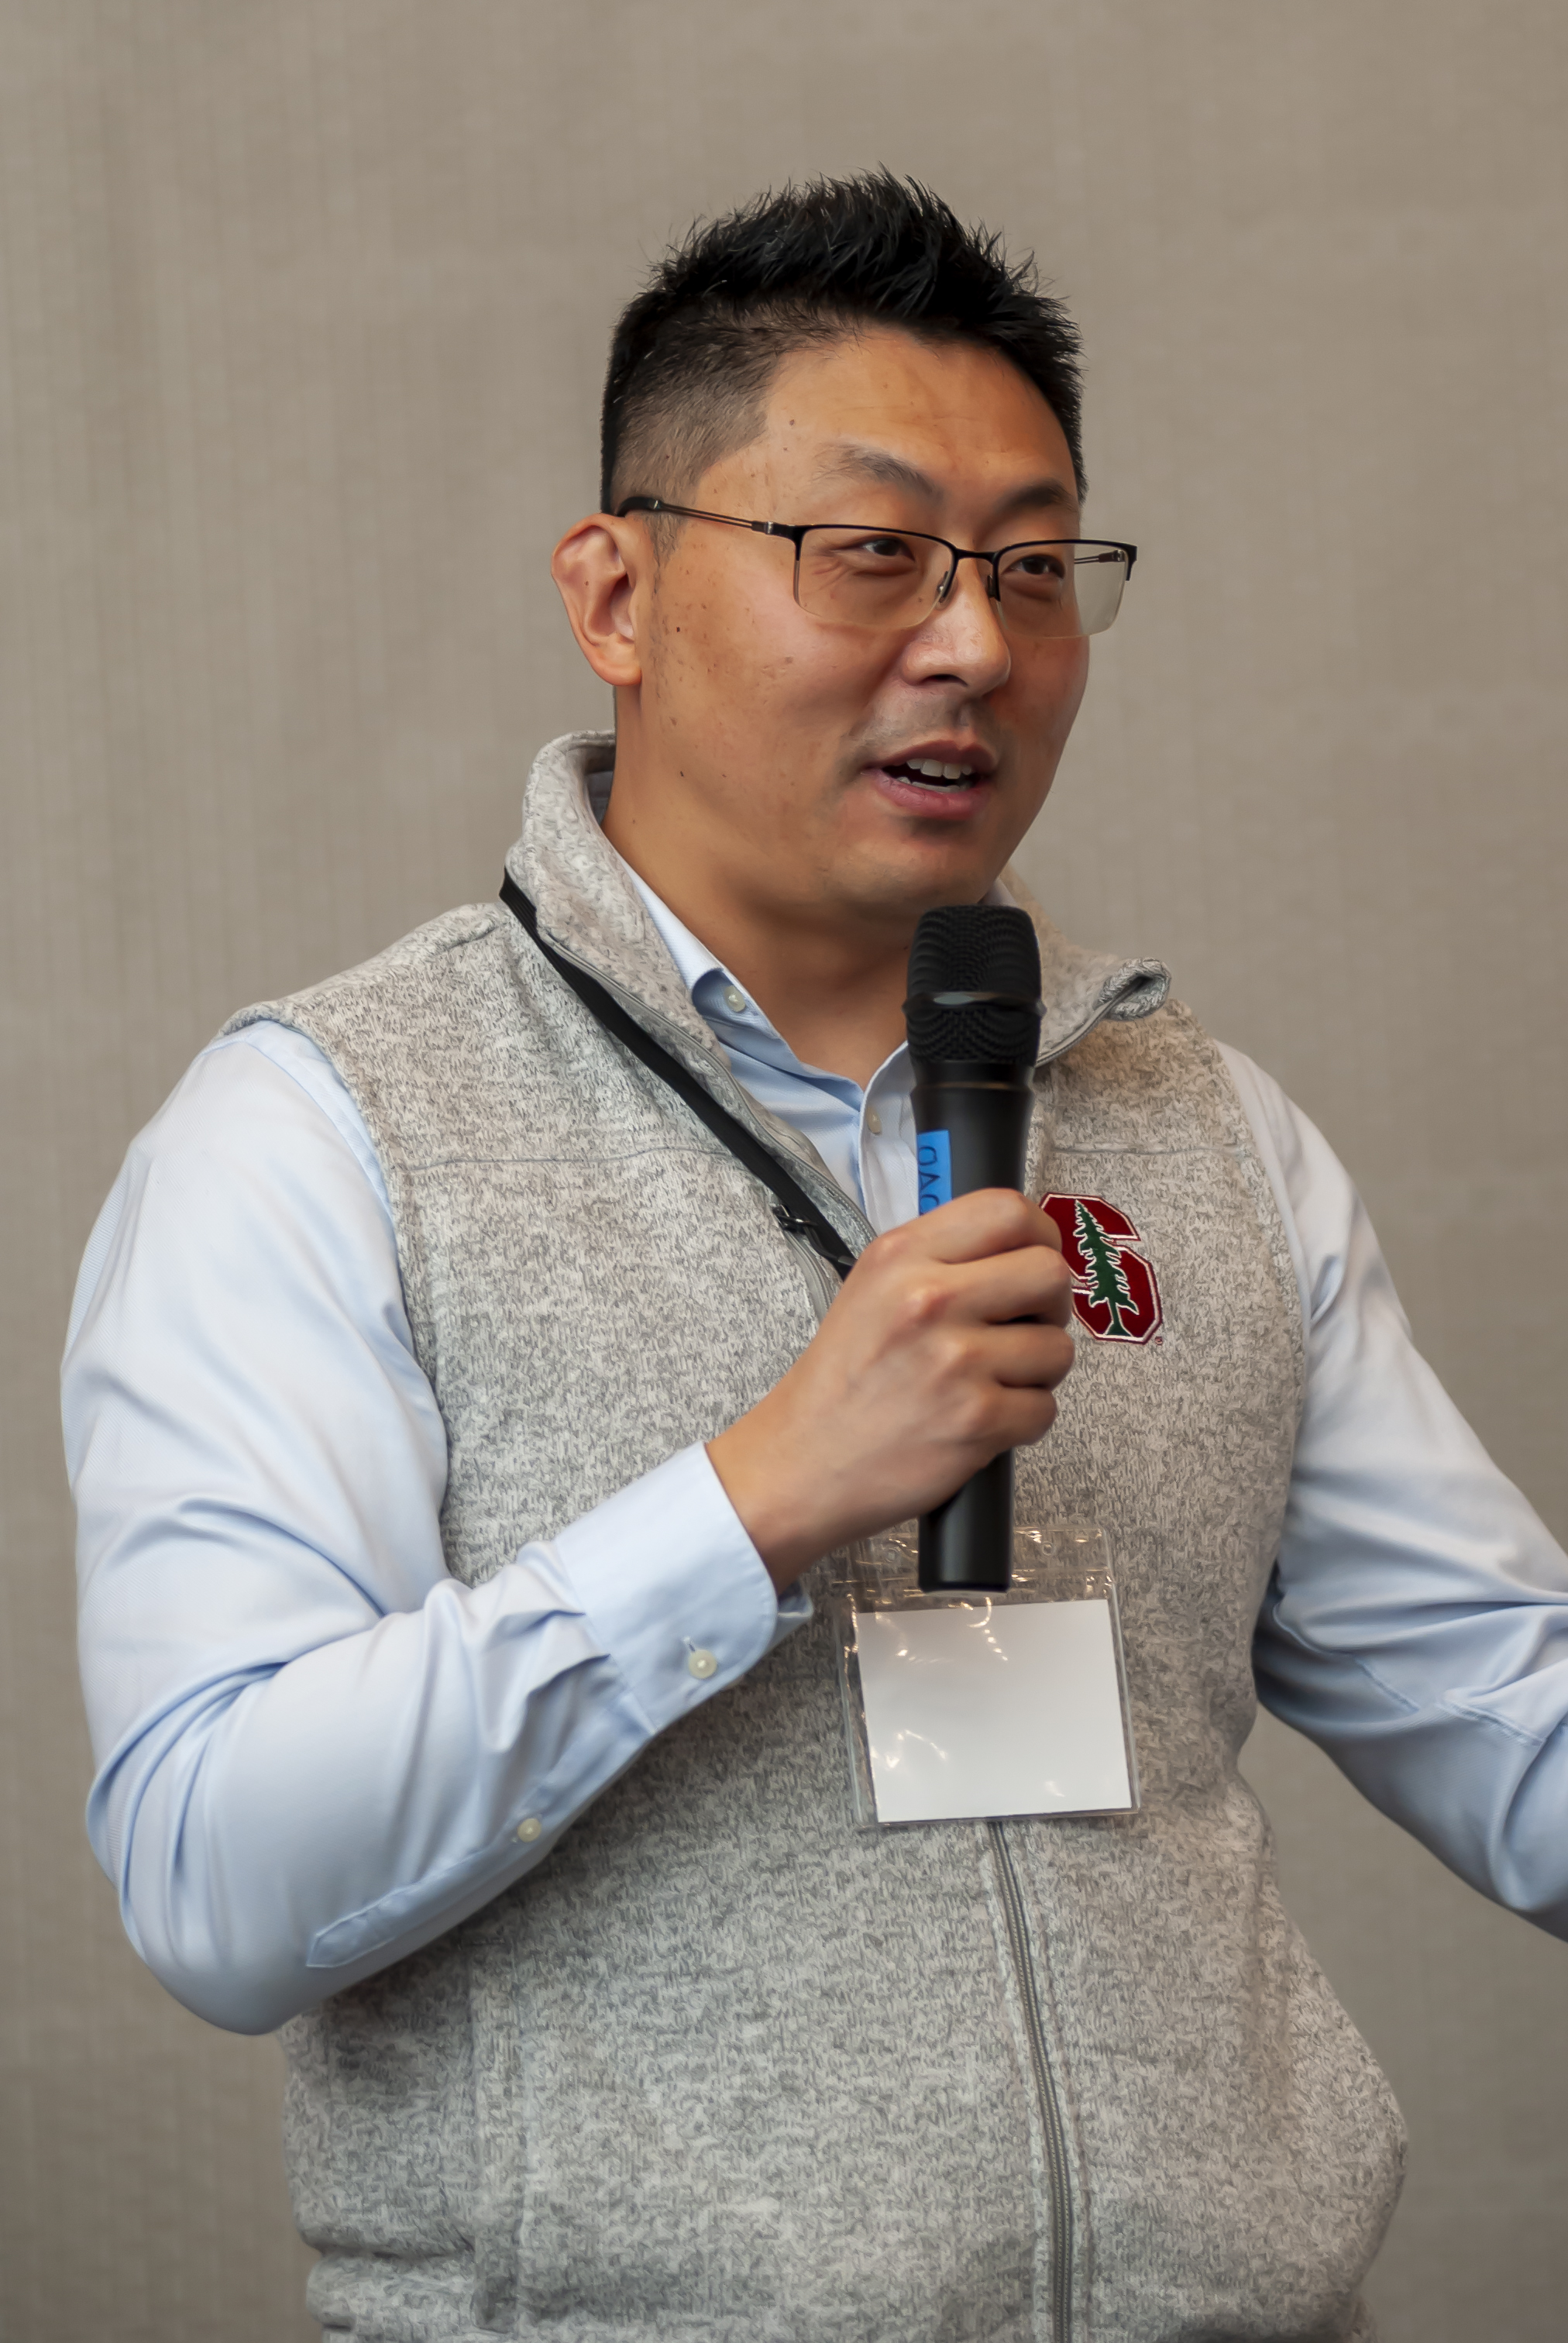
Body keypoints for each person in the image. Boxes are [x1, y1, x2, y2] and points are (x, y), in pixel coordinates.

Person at [64, 174, 1568, 2343]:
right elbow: (220, 1878)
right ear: (617, 594)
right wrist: (751, 1503)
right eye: (874, 553)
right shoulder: (324, 1129)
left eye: (1034, 568)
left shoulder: (1205, 1129)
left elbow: (1506, 1708)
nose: (974, 644)